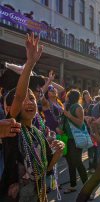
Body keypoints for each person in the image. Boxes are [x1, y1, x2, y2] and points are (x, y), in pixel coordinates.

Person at [0, 33, 64, 202]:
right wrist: (30, 63)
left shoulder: (37, 133)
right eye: (24, 99)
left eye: (33, 99)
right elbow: (19, 96)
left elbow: (45, 168)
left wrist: (58, 151)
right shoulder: (13, 129)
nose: (29, 102)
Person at [62, 89, 88, 194]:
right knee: (70, 163)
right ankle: (73, 186)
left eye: (67, 96)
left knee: (78, 162)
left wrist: (69, 116)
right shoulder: (68, 107)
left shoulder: (77, 107)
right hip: (68, 138)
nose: (66, 98)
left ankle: (87, 189)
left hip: (76, 139)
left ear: (71, 97)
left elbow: (80, 123)